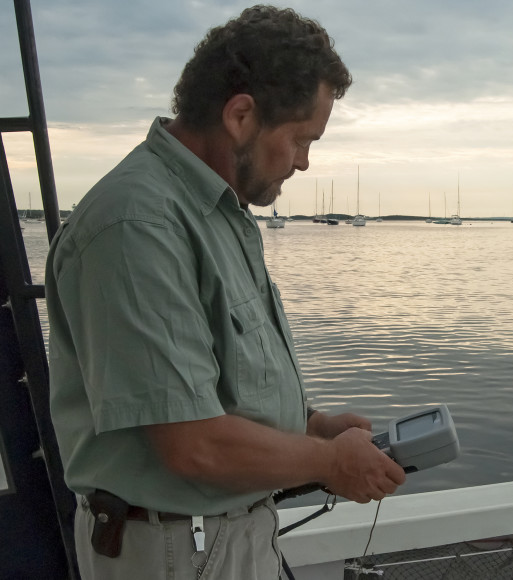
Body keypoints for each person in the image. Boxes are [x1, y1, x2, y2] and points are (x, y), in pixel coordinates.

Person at [44, 6, 406, 579]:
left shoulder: (213, 214)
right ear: (240, 115)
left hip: (218, 540)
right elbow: (194, 445)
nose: (305, 163)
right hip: (172, 550)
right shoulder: (137, 225)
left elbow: (218, 395)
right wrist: (330, 462)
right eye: (300, 139)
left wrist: (310, 428)